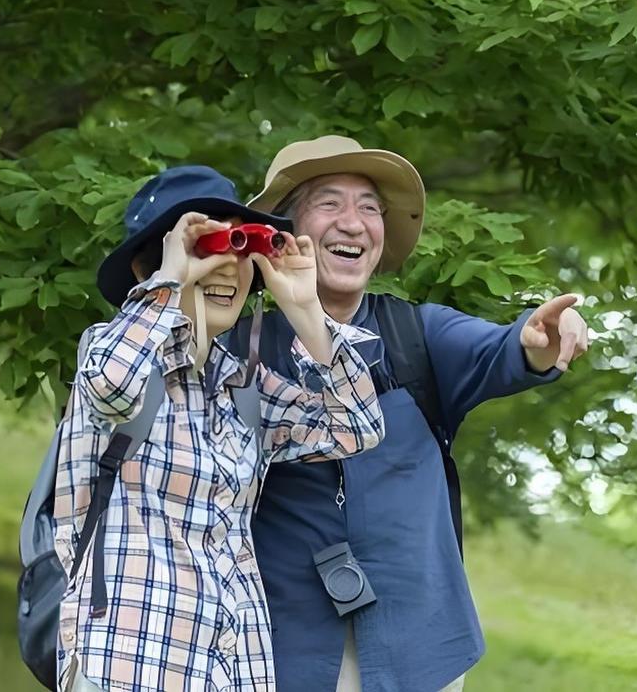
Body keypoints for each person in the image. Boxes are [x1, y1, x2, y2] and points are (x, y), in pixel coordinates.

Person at [238, 137, 590, 692]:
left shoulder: (417, 333)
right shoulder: (241, 347)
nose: (353, 224)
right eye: (329, 204)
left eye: (370, 208)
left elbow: (505, 348)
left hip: (420, 649)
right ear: (284, 229)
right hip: (279, 647)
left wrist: (539, 339)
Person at [52, 164, 385, 692]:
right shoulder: (112, 348)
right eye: (209, 245)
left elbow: (355, 428)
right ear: (150, 267)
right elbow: (114, 386)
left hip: (232, 665)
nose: (230, 266)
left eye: (241, 248)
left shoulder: (244, 387)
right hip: (130, 658)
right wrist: (171, 279)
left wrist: (303, 308)